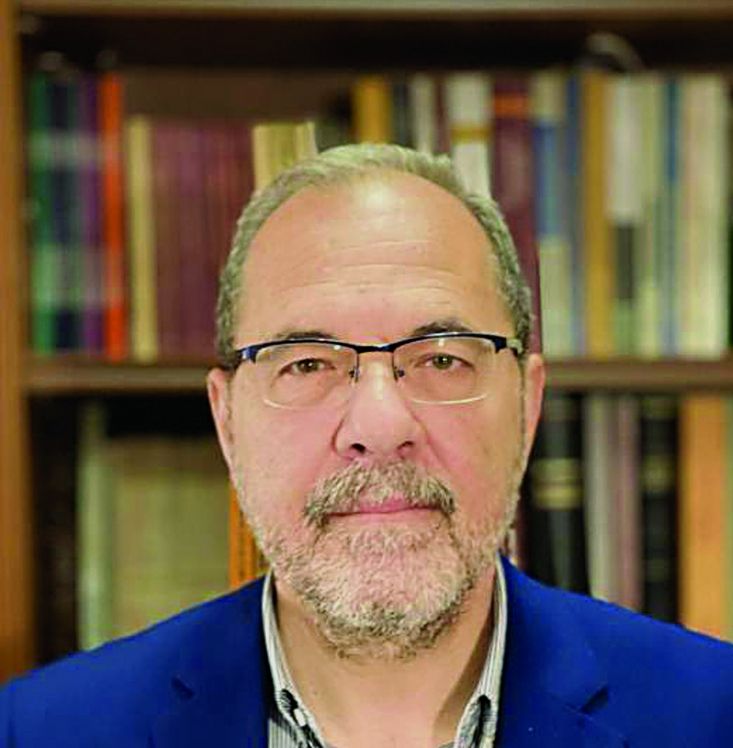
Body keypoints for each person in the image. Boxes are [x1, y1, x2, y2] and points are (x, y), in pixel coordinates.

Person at [1, 144, 732, 747]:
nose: (379, 426)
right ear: (227, 421)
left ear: (527, 403)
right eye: (306, 364)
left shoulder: (713, 717)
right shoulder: (37, 732)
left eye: (442, 357)